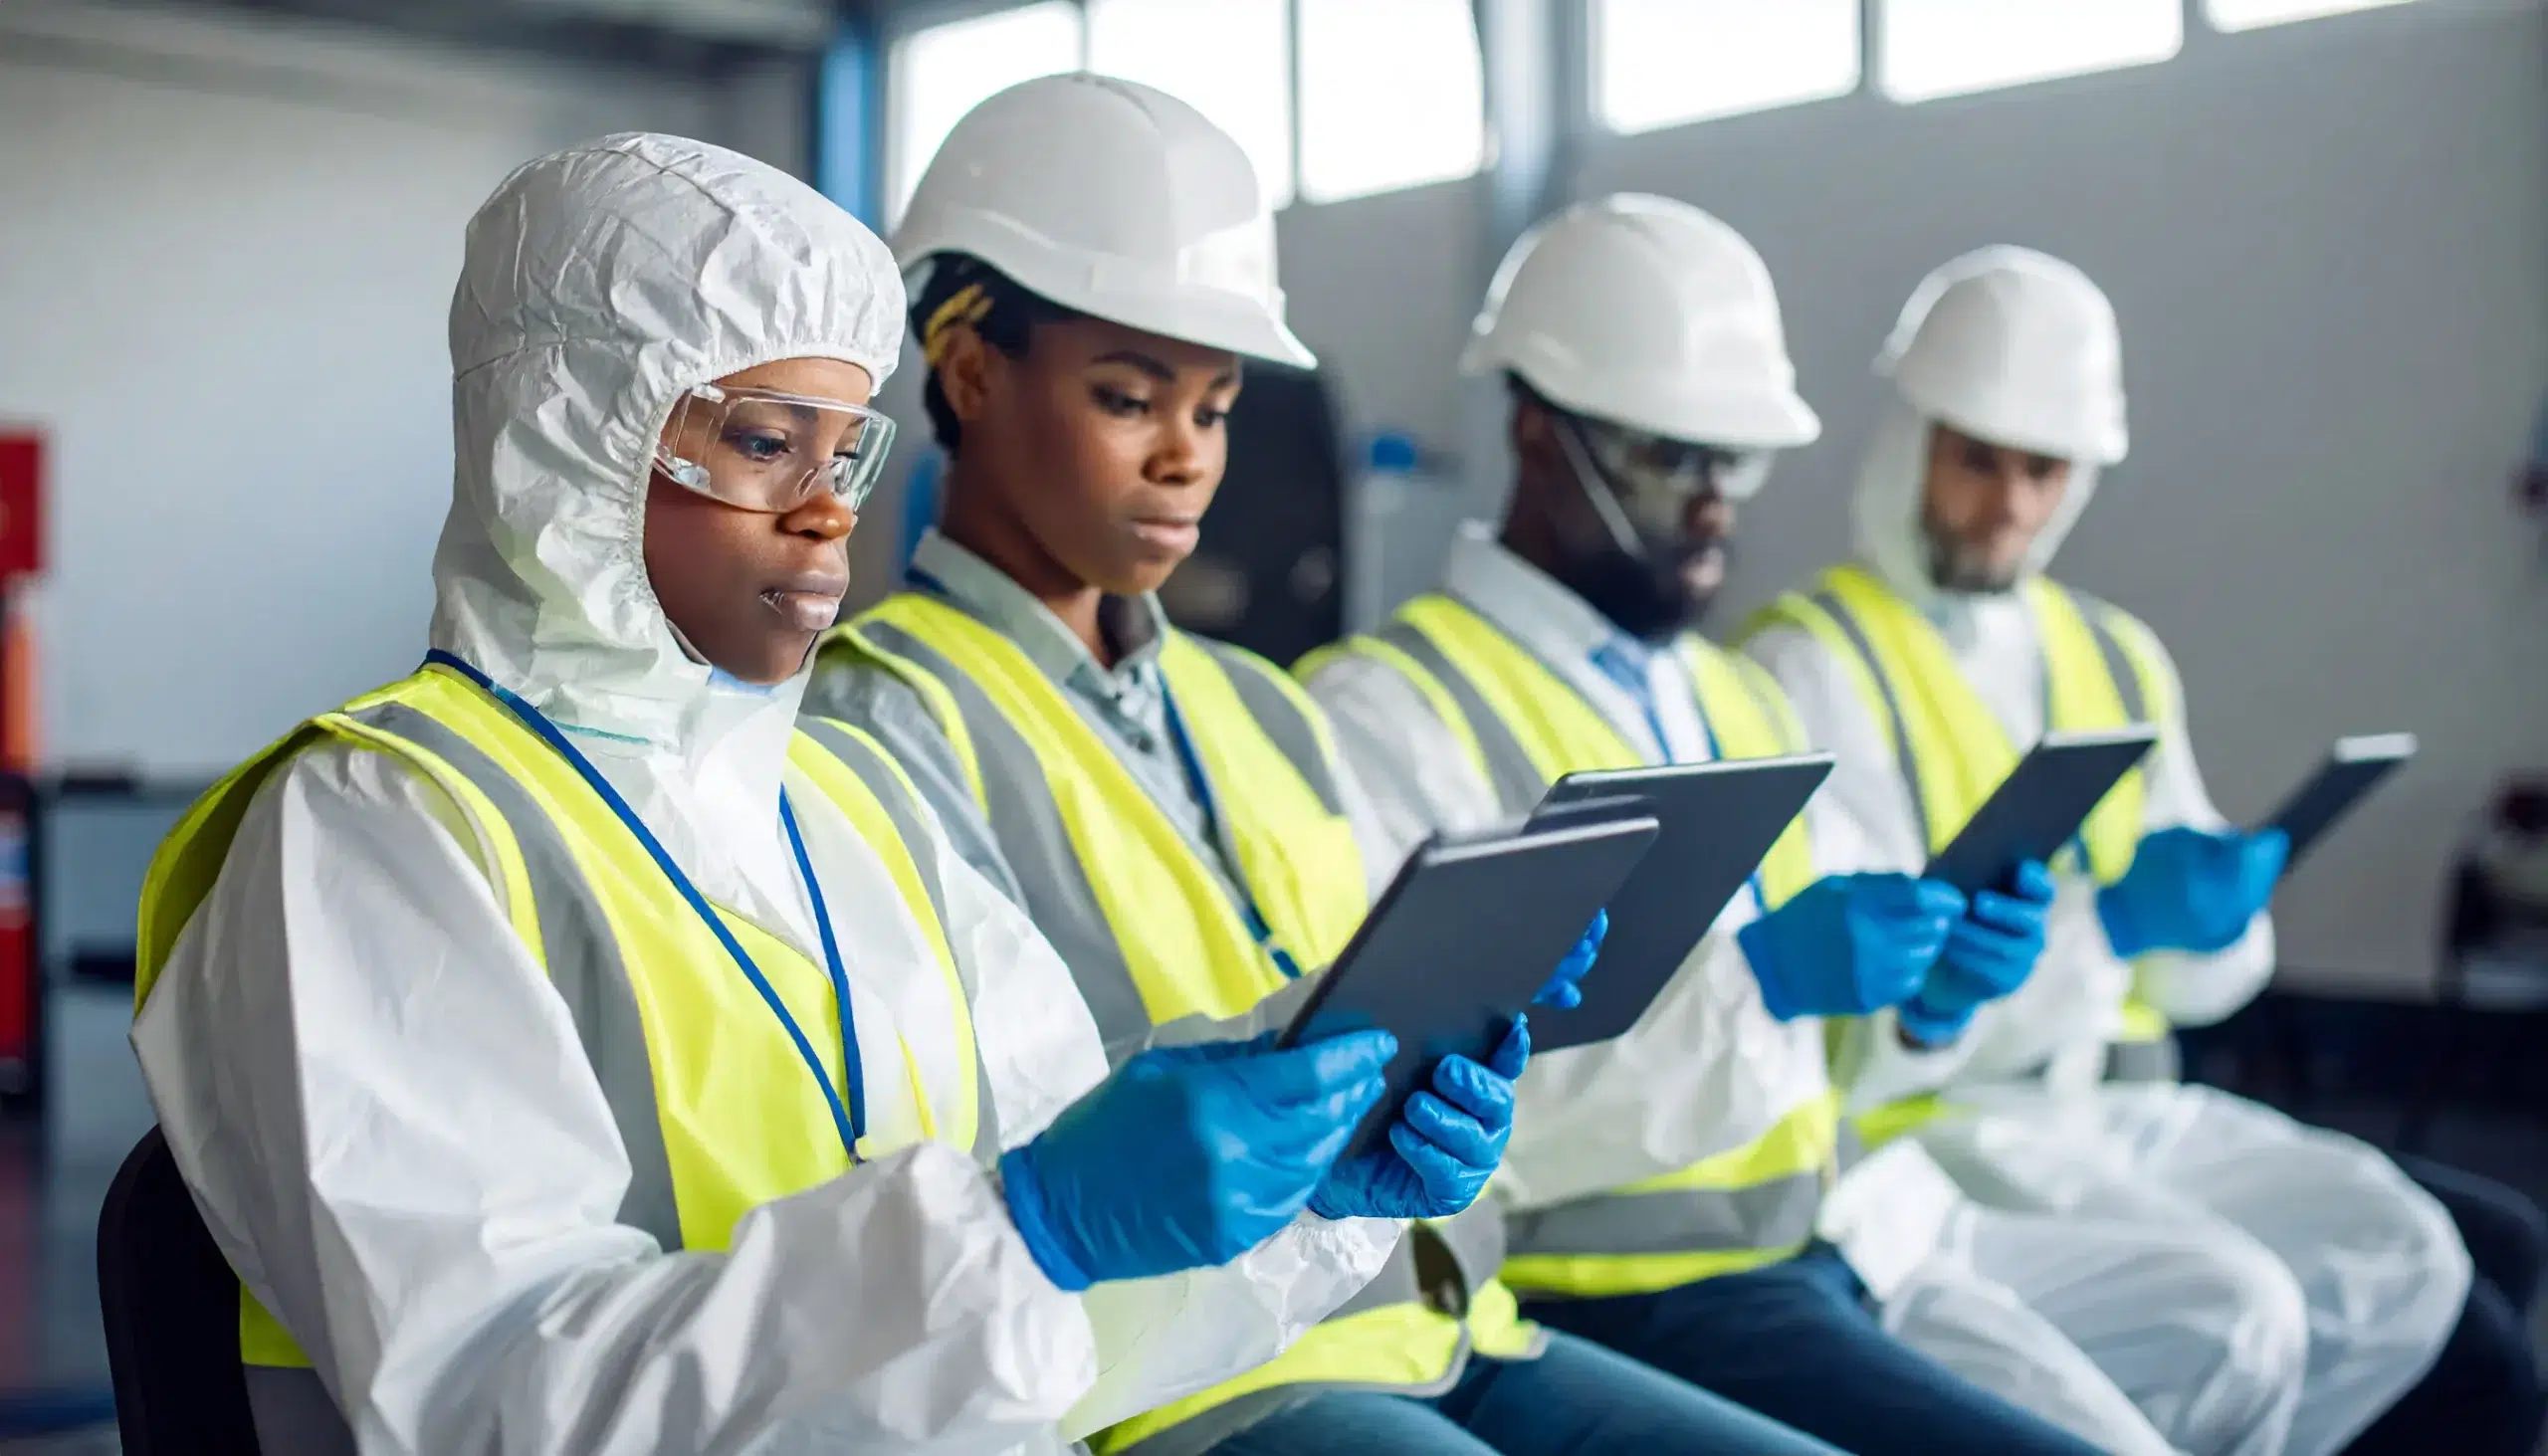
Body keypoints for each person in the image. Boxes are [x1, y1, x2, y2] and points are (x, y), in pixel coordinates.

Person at [128, 133, 1431, 1456]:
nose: (826, 517)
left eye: (846, 453)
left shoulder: (853, 803)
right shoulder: (382, 826)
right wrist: (1029, 1224)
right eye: (761, 442)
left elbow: (1058, 1332)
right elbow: (509, 1398)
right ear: (568, 439)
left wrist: (1302, 1199)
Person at [806, 77, 1842, 1456]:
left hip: (1442, 1318)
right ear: (972, 370)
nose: (1186, 458)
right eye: (1129, 398)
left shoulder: (1265, 709)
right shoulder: (878, 728)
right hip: (1184, 1386)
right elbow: (970, 1131)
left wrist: (1462, 1077)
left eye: (1219, 408)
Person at [1303, 194, 2321, 1456]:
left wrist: (1929, 998)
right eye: (1670, 457)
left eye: (1735, 460)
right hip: (1613, 1285)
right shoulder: (1387, 715)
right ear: (1531, 425)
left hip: (1831, 1227)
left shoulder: (1730, 695)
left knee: (2229, 1331)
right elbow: (1441, 1111)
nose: (1717, 503)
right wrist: (1767, 980)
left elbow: (1845, 1059)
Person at [1745, 244, 2517, 1456]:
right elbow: (1861, 1040)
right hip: (1931, 1135)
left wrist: (2207, 926)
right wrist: (2096, 929)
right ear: (1912, 441)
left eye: (2040, 469)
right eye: (1975, 460)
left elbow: (2189, 982)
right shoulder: (1807, 667)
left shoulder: (2111, 655)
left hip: (2109, 1099)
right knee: (2256, 1322)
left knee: (2408, 1251)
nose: (2005, 505)